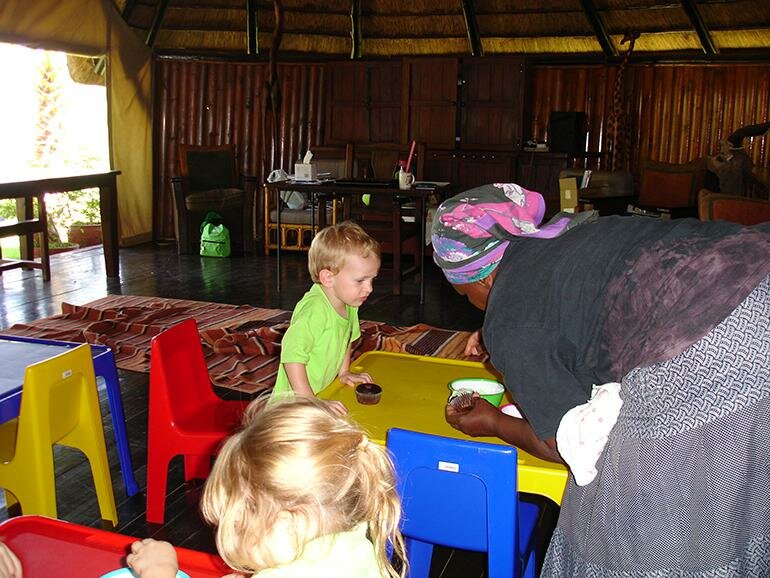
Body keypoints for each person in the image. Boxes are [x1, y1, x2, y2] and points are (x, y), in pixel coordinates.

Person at [431, 182, 770, 576]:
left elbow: (569, 447)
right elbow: (573, 315)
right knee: (744, 497)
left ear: (481, 278)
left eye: (462, 294)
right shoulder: (568, 236)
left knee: (621, 531)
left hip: (713, 339)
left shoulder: (509, 317)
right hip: (756, 269)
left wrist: (495, 422)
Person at [127, 396, 407, 578]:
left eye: (243, 520)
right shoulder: (355, 544)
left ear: (289, 523)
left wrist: (159, 572)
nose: (236, 531)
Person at [269, 221, 381, 413]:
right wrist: (310, 401)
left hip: (322, 394)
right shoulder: (315, 310)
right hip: (291, 410)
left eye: (372, 279)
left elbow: (346, 338)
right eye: (361, 280)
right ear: (328, 278)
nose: (369, 288)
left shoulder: (349, 302)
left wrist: (344, 372)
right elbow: (291, 356)